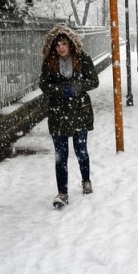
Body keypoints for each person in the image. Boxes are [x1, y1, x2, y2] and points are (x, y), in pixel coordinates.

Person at [39, 24, 99, 209]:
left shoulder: (83, 59)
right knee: (61, 156)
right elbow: (44, 84)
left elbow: (94, 81)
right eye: (58, 45)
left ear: (71, 44)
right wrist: (61, 90)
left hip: (79, 112)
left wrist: (77, 87)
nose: (61, 48)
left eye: (64, 43)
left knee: (81, 151)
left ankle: (86, 180)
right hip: (58, 114)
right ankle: (62, 193)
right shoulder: (50, 62)